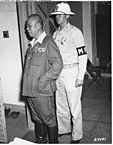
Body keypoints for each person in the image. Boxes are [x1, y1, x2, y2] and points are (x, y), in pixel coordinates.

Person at [22, 14, 63, 143]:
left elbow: (58, 65)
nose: (27, 29)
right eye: (27, 26)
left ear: (39, 25)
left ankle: (53, 142)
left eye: (30, 26)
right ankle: (41, 140)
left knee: (48, 119)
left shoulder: (48, 42)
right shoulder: (32, 45)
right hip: (30, 90)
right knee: (37, 118)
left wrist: (42, 81)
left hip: (41, 91)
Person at [50, 2, 88, 143]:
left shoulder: (76, 32)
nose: (57, 18)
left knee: (74, 108)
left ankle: (77, 136)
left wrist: (80, 76)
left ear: (67, 16)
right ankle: (64, 129)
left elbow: (82, 55)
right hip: (59, 74)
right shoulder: (55, 33)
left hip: (72, 73)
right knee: (61, 105)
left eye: (60, 15)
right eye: (56, 16)